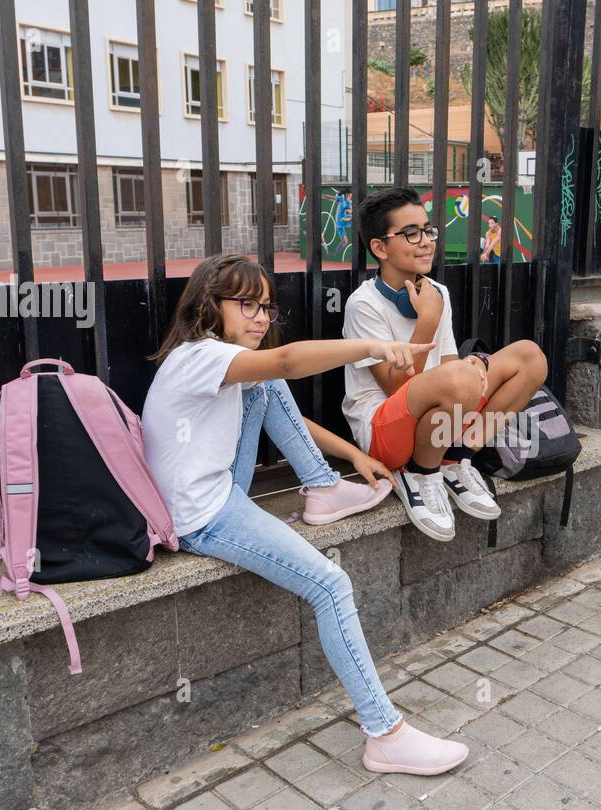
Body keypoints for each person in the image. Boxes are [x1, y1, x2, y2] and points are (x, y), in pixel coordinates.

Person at [141, 252, 469, 775]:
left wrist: (354, 455)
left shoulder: (221, 358)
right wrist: (377, 347)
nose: (257, 317)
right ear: (209, 304)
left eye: (266, 307)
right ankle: (384, 734)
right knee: (331, 585)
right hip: (203, 514)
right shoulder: (199, 355)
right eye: (245, 303)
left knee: (267, 383)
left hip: (222, 485)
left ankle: (321, 487)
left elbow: (280, 389)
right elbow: (290, 360)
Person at [341, 187, 548, 541]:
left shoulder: (437, 291)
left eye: (428, 230)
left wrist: (470, 371)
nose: (426, 242)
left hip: (441, 416)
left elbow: (450, 361)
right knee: (459, 379)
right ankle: (421, 473)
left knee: (529, 357)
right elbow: (395, 386)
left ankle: (457, 457)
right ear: (379, 248)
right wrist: (426, 321)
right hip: (384, 430)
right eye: (411, 233)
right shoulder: (364, 305)